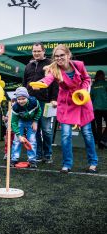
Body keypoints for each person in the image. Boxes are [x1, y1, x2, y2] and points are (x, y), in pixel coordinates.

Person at [34, 44, 98, 173]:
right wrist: (41, 83)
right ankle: (67, 164)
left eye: (62, 55)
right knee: (65, 135)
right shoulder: (54, 69)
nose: (59, 58)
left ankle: (93, 163)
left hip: (81, 101)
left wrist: (83, 90)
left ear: (68, 55)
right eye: (56, 56)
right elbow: (48, 79)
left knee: (87, 133)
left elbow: (86, 79)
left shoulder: (79, 65)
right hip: (66, 103)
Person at [23, 42, 58, 164]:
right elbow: (24, 83)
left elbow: (55, 83)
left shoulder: (50, 64)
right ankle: (38, 154)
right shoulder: (28, 66)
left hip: (46, 102)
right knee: (34, 130)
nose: (36, 53)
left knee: (47, 130)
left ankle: (47, 154)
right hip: (31, 103)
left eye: (38, 51)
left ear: (44, 51)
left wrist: (54, 98)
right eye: (34, 51)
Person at [10, 87, 42, 168]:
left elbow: (39, 111)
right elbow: (14, 122)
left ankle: (32, 160)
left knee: (32, 140)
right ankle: (14, 159)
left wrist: (35, 121)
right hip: (20, 121)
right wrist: (19, 135)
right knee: (17, 140)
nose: (21, 101)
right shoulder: (15, 107)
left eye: (23, 98)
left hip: (31, 121)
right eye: (19, 99)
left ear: (27, 97)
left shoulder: (34, 102)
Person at [90, 70, 107, 149]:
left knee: (99, 126)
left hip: (96, 108)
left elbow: (91, 98)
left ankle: (100, 144)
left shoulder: (93, 85)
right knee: (99, 126)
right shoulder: (105, 84)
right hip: (105, 107)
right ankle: (103, 140)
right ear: (103, 76)